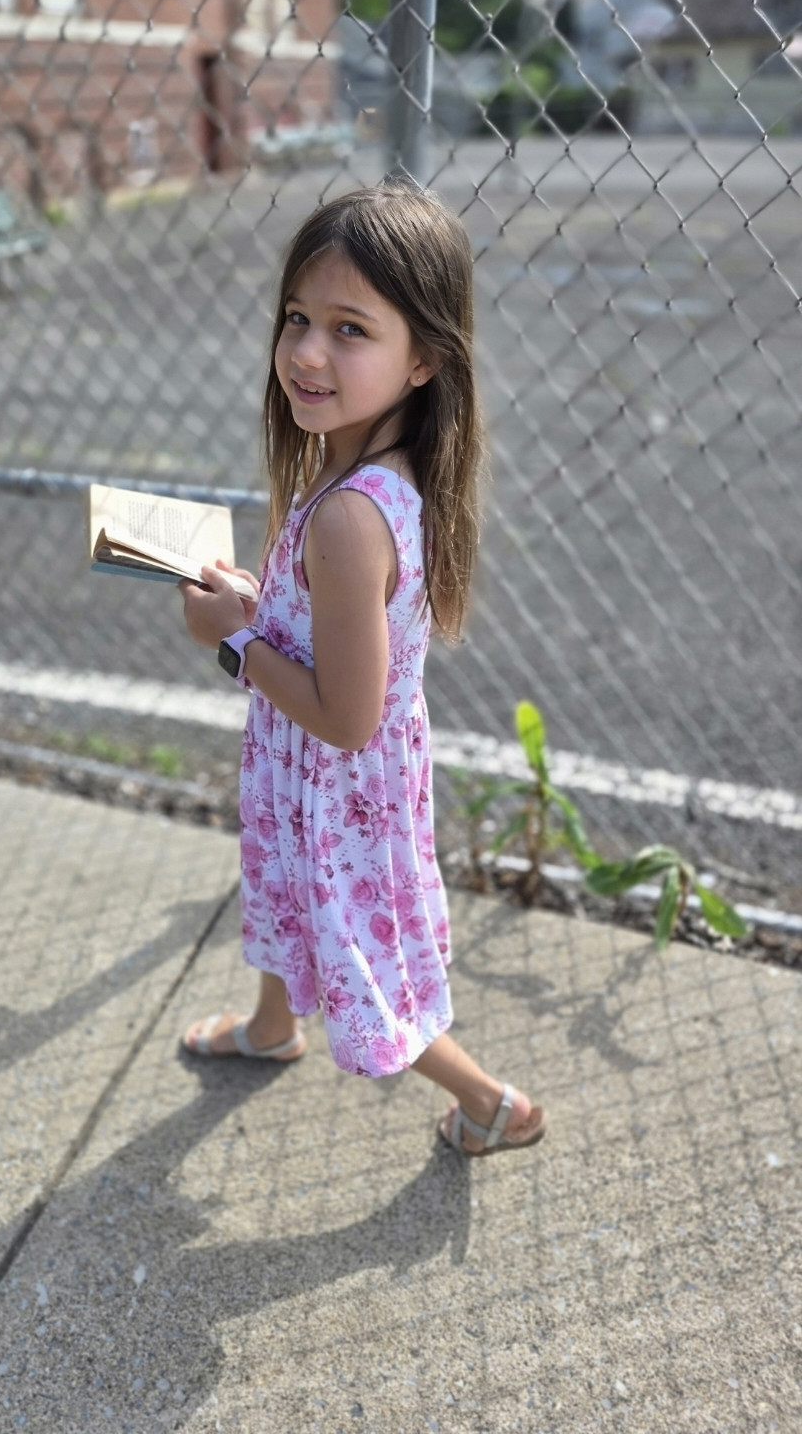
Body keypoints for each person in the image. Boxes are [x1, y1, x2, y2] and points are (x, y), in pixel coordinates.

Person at [178, 181, 545, 1156]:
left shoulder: (348, 514)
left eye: (350, 330)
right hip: (318, 781)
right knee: (279, 885)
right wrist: (262, 608)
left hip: (337, 787)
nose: (306, 352)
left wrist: (232, 642)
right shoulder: (368, 474)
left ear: (424, 358)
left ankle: (492, 1103)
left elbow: (346, 716)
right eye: (298, 318)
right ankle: (271, 1025)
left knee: (362, 965)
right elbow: (336, 634)